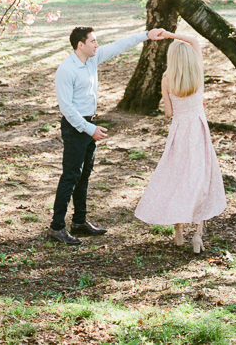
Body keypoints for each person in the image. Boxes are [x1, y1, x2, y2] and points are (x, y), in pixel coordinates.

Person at [49, 24, 167, 245]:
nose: (97, 44)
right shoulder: (66, 70)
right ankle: (57, 227)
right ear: (80, 45)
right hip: (76, 127)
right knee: (70, 176)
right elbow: (67, 109)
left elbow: (119, 46)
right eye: (93, 41)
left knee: (84, 175)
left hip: (90, 124)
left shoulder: (92, 58)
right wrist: (90, 129)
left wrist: (146, 35)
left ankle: (79, 221)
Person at [134, 30, 226, 253]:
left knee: (177, 177)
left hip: (179, 132)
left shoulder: (167, 79)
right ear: (191, 58)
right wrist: (169, 34)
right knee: (201, 179)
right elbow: (194, 40)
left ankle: (177, 231)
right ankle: (197, 235)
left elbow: (168, 112)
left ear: (172, 58)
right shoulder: (198, 73)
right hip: (199, 130)